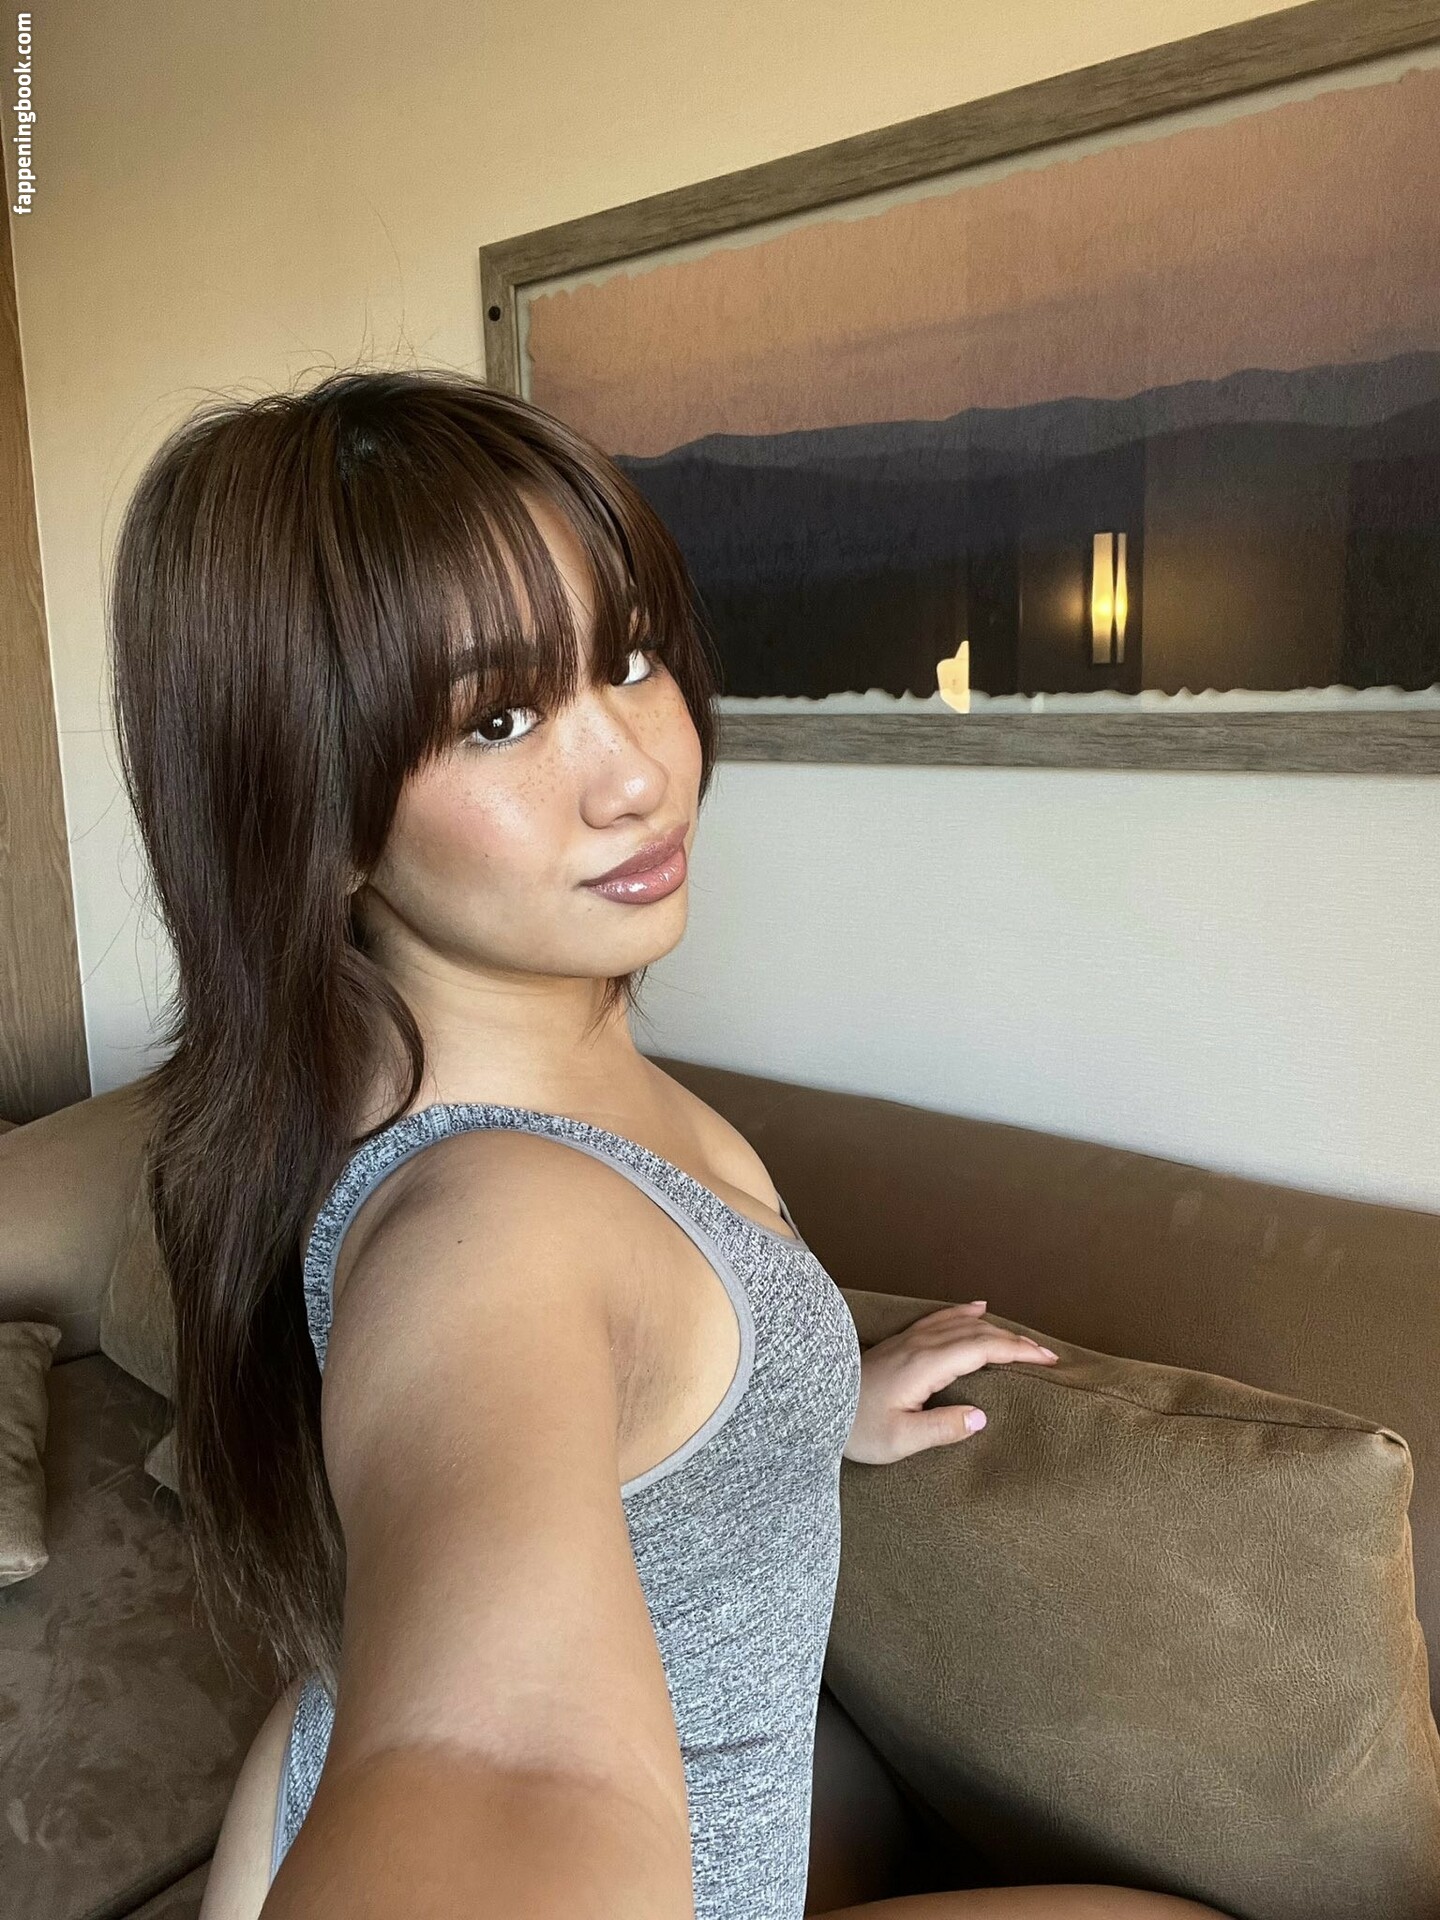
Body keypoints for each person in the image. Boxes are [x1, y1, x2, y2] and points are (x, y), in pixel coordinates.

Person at [106, 367, 1228, 1920]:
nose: (643, 771)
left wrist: (794, 1397)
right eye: (499, 718)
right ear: (317, 813)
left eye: (629, 657)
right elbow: (497, 1769)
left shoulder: (533, 1066)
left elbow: (609, 1407)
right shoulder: (491, 1232)